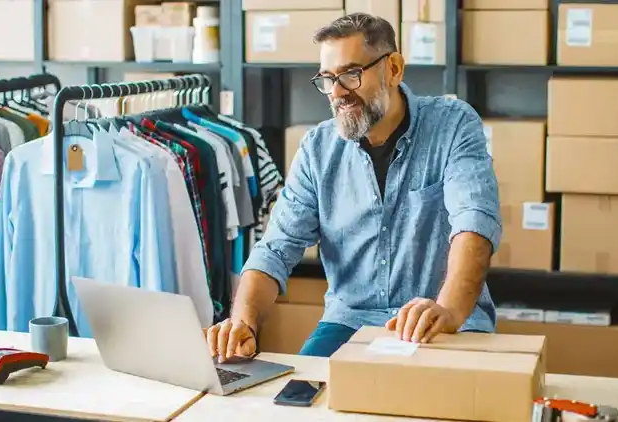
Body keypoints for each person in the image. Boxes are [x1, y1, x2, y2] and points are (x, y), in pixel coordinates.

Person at [207, 12, 501, 361]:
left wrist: (450, 309)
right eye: (328, 79)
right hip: (349, 324)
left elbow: (474, 223)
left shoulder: (453, 124)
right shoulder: (317, 149)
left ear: (393, 69)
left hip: (441, 321)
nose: (337, 93)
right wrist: (242, 322)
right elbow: (275, 249)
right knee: (298, 405)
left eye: (350, 75)